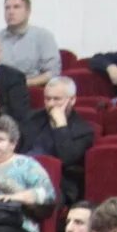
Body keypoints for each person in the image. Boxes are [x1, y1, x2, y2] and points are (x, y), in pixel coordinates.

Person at [20, 74, 97, 204]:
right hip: (22, 175)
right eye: (47, 99)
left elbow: (67, 159)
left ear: (72, 100)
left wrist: (61, 126)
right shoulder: (32, 118)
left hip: (58, 182)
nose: (51, 104)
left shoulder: (84, 130)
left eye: (57, 99)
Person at [0, 0, 60, 87]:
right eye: (7, 8)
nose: (11, 12)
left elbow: (52, 73)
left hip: (31, 89)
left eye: (16, 7)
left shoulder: (43, 36)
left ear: (28, 11)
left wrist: (21, 84)